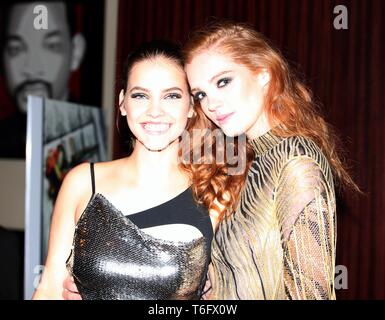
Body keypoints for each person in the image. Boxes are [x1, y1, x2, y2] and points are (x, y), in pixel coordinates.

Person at [182, 21, 359, 300]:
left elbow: (311, 295)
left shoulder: (295, 159)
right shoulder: (243, 163)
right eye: (201, 94)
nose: (211, 103)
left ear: (263, 74)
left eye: (223, 82)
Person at [32, 40, 214, 300]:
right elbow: (49, 289)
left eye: (171, 96)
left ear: (191, 108)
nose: (155, 111)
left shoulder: (214, 191)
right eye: (141, 95)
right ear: (122, 103)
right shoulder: (83, 182)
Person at [0, 0, 86, 157]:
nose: (32, 68)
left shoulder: (89, 135)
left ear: (75, 52)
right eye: (16, 49)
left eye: (51, 46)